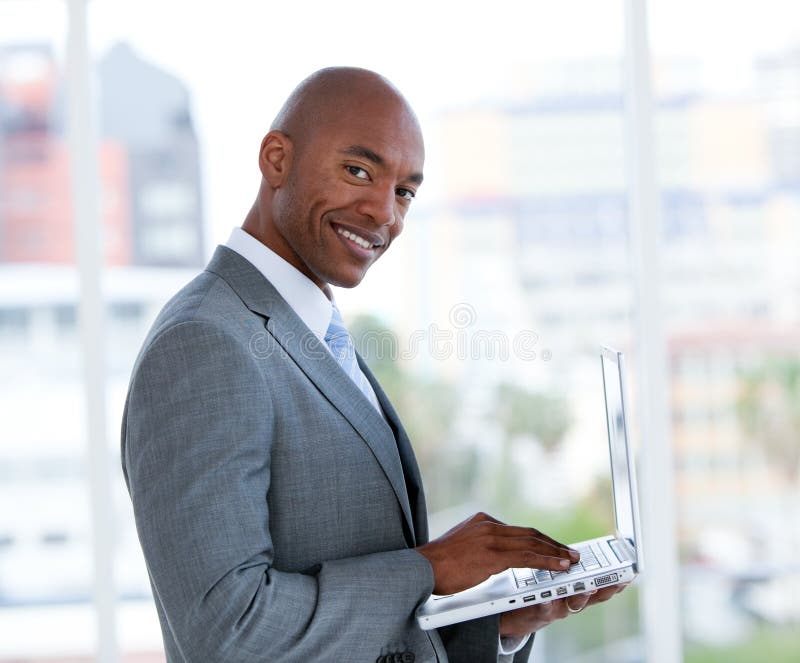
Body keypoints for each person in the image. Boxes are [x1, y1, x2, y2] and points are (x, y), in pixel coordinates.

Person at [121, 67, 625, 662]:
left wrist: (492, 622)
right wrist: (427, 569)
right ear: (276, 159)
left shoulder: (311, 332)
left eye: (405, 191)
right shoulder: (206, 343)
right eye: (358, 171)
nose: (384, 213)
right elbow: (229, 633)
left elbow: (371, 626)